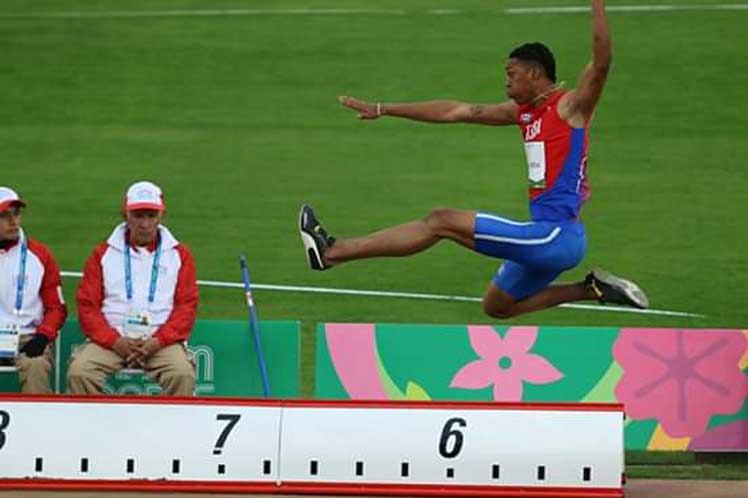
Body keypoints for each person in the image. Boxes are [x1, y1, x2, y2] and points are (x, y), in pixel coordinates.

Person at [299, 0, 648, 319]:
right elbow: (456, 111)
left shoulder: (570, 108)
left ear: (534, 73)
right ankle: (592, 289)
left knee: (440, 220)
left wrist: (598, 5)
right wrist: (383, 108)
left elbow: (601, 63)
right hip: (550, 237)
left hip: (555, 235)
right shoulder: (524, 113)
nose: (506, 84)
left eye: (511, 74)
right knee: (496, 305)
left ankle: (332, 252)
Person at [68, 181, 198, 395]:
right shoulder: (102, 254)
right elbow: (87, 306)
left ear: (161, 216)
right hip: (111, 341)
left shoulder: (179, 255)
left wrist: (158, 341)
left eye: (151, 215)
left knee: (181, 374)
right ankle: (91, 427)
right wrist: (114, 341)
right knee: (80, 373)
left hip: (160, 342)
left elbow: (186, 306)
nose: (145, 223)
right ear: (126, 214)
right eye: (138, 215)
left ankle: (174, 429)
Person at [0, 187, 67, 393]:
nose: (14, 222)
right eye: (4, 216)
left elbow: (56, 307)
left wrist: (43, 336)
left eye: (16, 214)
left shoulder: (40, 255)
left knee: (36, 365)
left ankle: (39, 424)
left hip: (28, 336)